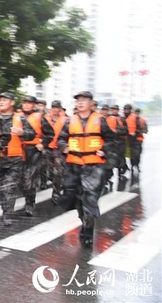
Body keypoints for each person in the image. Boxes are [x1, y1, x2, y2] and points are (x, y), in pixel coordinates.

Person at [57, 91, 117, 247]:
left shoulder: (100, 121)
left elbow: (111, 139)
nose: (81, 102)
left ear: (91, 103)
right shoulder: (70, 121)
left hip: (93, 166)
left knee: (90, 199)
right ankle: (84, 220)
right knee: (75, 198)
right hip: (73, 165)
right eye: (78, 100)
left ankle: (88, 231)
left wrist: (104, 149)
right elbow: (61, 138)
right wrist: (64, 147)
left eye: (84, 100)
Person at [0, 92, 35, 226]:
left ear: (12, 102)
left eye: (5, 100)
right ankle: (5, 208)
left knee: (9, 188)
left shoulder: (20, 118)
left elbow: (32, 133)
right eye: (0, 100)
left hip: (14, 158)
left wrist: (23, 133)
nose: (1, 102)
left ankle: (8, 214)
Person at [20, 95, 54, 216]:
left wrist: (43, 143)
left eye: (29, 103)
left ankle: (30, 203)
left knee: (30, 177)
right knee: (20, 178)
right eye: (24, 102)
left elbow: (50, 134)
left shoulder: (40, 117)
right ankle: (25, 196)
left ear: (34, 105)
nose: (26, 105)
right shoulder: (17, 116)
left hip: (33, 150)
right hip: (18, 150)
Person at [44, 100, 68, 204]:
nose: (54, 109)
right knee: (49, 172)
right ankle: (55, 183)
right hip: (47, 148)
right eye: (53, 107)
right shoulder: (45, 119)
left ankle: (56, 193)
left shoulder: (66, 120)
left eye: (56, 107)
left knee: (58, 172)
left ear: (60, 109)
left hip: (59, 150)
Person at [123, 104, 143, 173]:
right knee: (129, 154)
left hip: (134, 139)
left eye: (127, 109)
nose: (126, 111)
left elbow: (139, 128)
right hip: (125, 139)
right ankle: (131, 166)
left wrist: (135, 133)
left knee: (136, 154)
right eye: (125, 109)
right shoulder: (121, 117)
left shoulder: (134, 117)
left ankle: (136, 165)